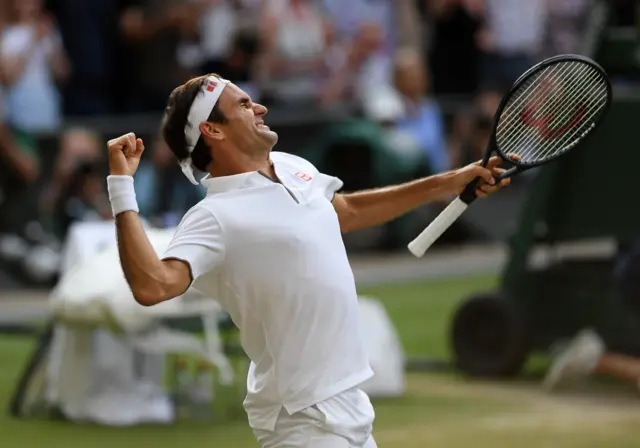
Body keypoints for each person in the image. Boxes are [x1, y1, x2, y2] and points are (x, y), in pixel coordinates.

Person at [105, 74, 511, 447]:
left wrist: (448, 181)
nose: (259, 108)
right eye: (244, 105)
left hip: (349, 408)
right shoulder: (213, 215)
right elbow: (152, 285)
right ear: (212, 130)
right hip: (301, 421)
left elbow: (346, 211)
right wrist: (122, 188)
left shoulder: (292, 167)